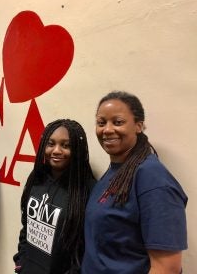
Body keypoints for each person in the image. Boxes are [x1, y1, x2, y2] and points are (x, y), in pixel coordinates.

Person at [81, 91, 188, 273]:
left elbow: (167, 268)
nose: (107, 129)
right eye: (101, 122)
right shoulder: (116, 170)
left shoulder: (152, 179)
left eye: (118, 122)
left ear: (138, 126)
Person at [13, 119, 96, 274]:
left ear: (77, 150)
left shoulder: (87, 189)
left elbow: (86, 248)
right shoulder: (37, 179)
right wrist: (21, 260)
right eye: (51, 144)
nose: (56, 150)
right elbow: (27, 226)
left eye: (66, 145)